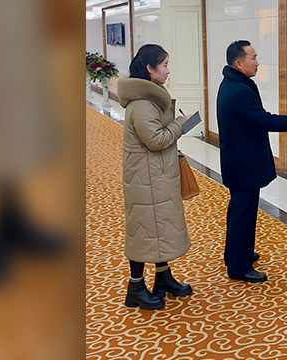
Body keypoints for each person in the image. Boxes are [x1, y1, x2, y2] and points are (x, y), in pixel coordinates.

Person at [217, 40, 287, 283]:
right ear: (238, 63)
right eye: (253, 58)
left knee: (240, 211)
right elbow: (263, 121)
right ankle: (238, 267)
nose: (257, 62)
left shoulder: (233, 83)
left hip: (239, 161)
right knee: (242, 213)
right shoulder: (239, 90)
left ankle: (237, 254)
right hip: (243, 164)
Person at [117, 44, 193, 310]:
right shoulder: (141, 104)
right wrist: (181, 125)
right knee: (144, 232)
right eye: (164, 65)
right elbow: (156, 140)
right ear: (150, 69)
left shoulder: (150, 98)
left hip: (153, 177)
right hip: (145, 180)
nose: (168, 70)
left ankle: (162, 278)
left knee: (157, 229)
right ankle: (135, 287)